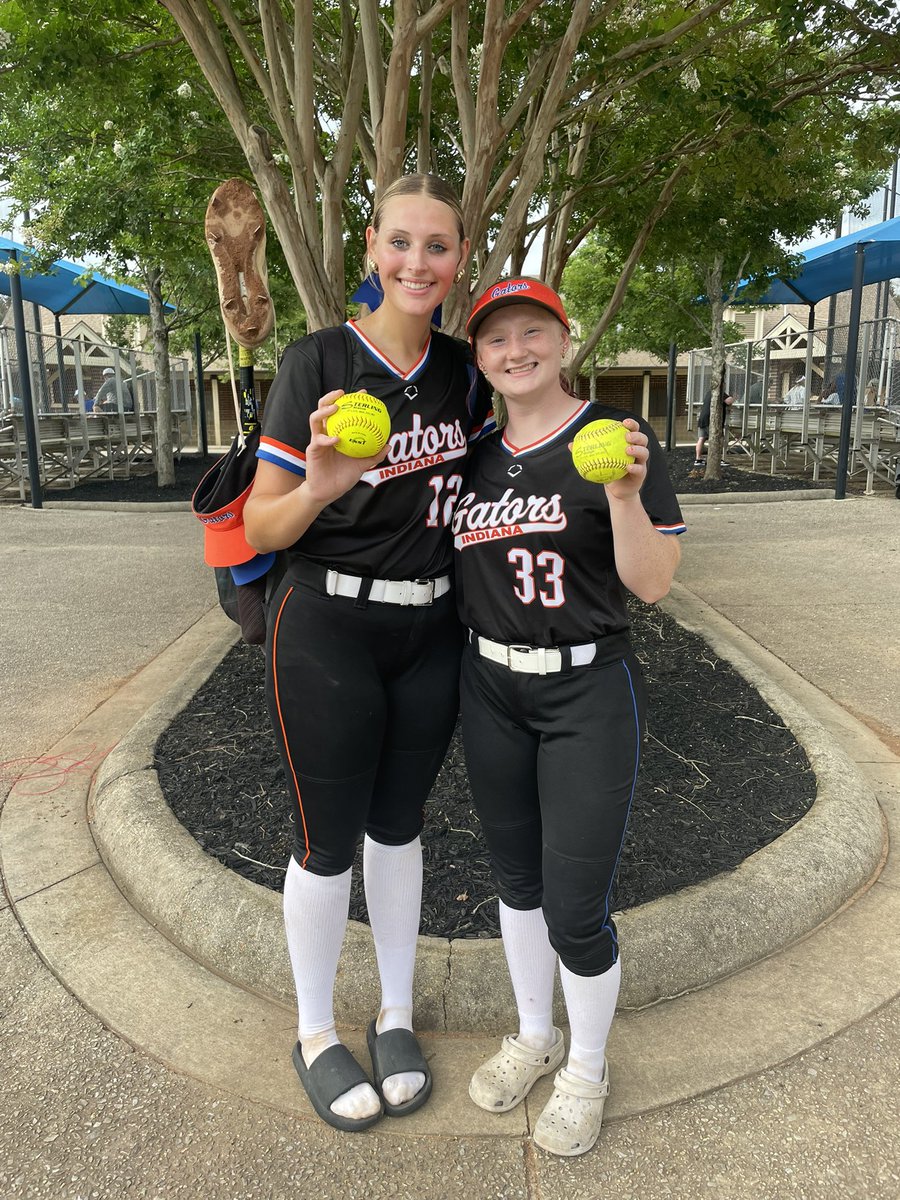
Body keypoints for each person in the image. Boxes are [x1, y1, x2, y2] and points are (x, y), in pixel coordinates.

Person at [242, 173, 493, 1133]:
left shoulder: (467, 373)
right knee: (327, 841)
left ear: (459, 258)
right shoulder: (316, 363)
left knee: (401, 828)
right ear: (372, 248)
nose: (417, 263)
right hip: (327, 628)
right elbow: (263, 529)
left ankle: (393, 1013)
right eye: (400, 243)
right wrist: (321, 484)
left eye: (437, 246)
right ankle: (314, 1031)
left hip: (429, 632)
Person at [454, 278, 685, 1157]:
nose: (516, 351)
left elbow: (654, 583)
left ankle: (586, 1065)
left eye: (533, 332)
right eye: (497, 340)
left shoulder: (612, 436)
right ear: (479, 358)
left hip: (588, 689)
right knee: (517, 883)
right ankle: (533, 1034)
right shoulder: (472, 453)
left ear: (563, 338)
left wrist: (625, 495)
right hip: (490, 689)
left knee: (575, 910)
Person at [694, 374, 734, 465]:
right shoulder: (719, 392)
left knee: (701, 439)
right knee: (717, 439)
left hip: (702, 419)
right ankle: (717, 460)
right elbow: (729, 401)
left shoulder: (709, 392)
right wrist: (733, 397)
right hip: (710, 420)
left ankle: (698, 459)